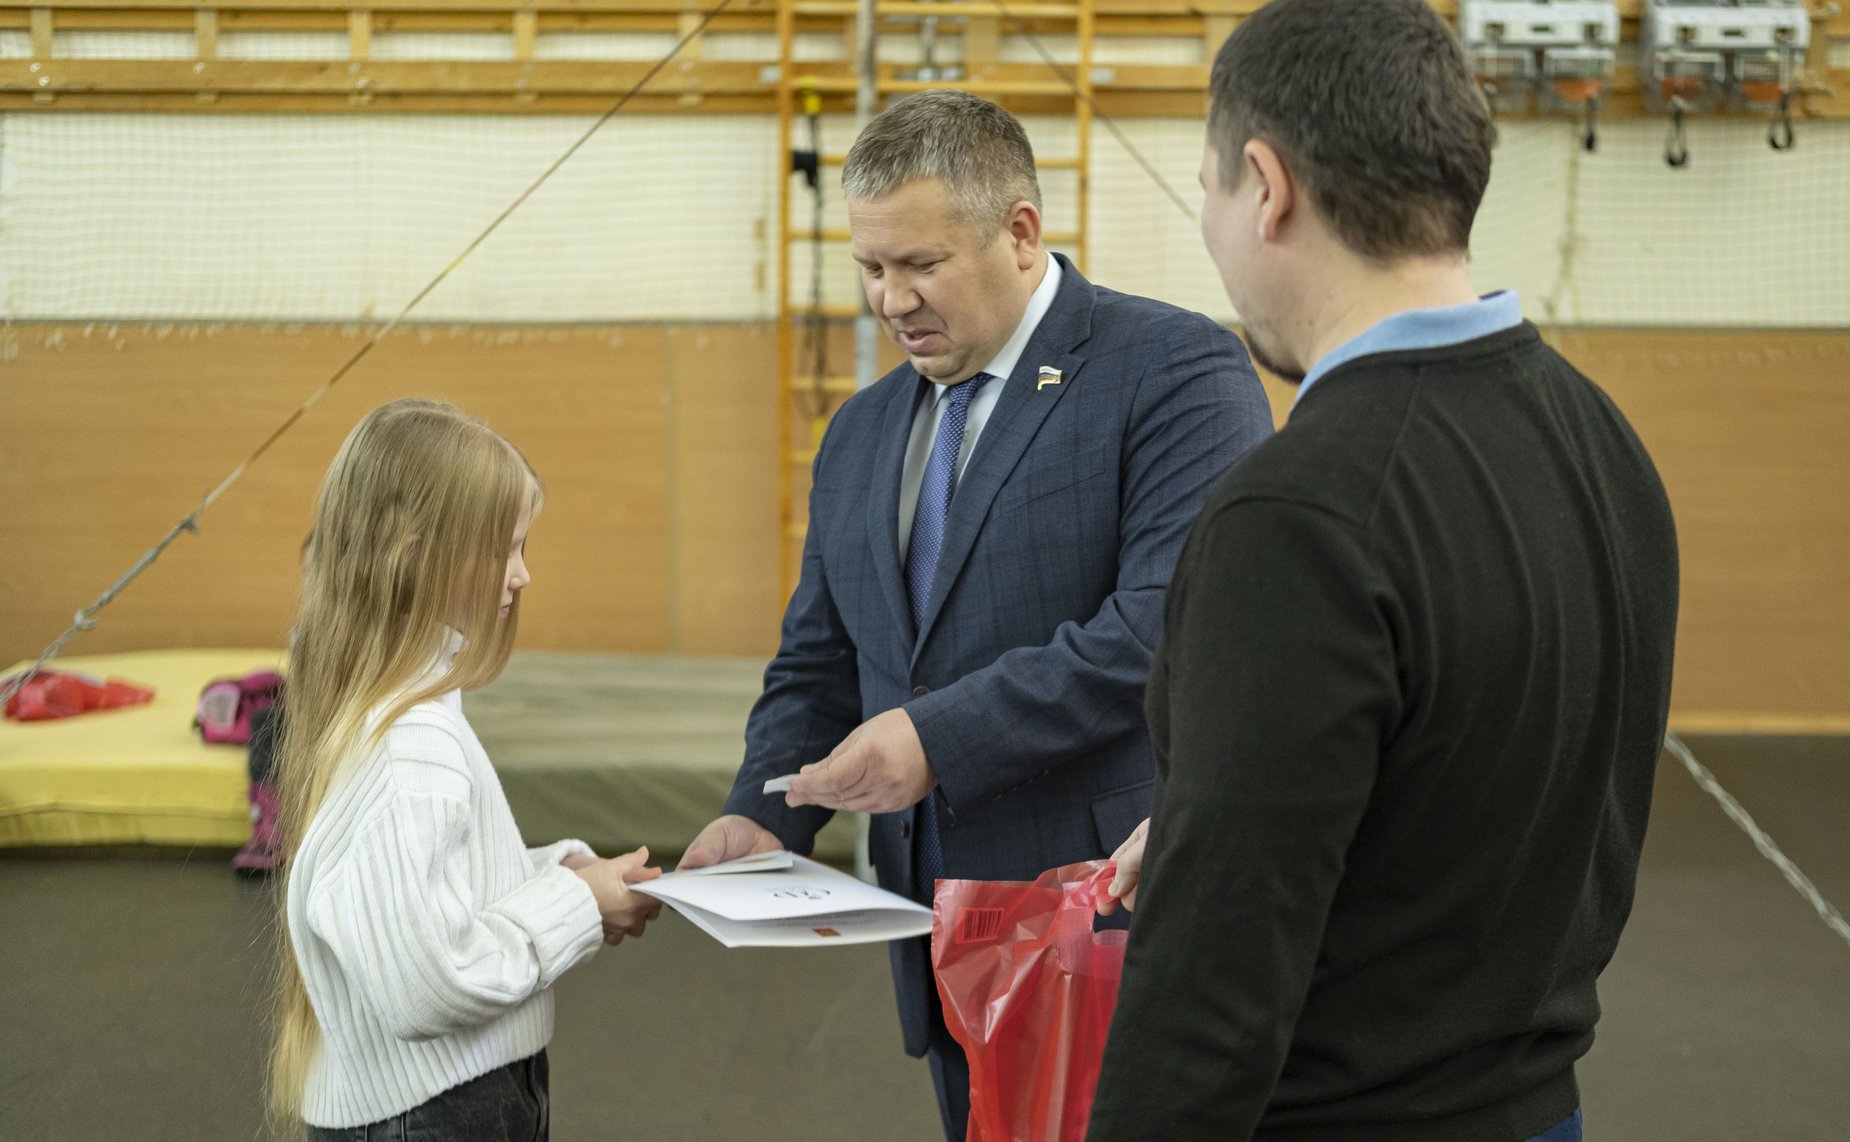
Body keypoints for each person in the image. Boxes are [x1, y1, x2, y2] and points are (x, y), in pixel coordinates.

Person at [1087, 2, 1681, 1139]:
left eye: (1206, 188)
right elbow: (1484, 770)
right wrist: (1244, 793)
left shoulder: (1297, 510)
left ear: (1263, 186)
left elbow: (1205, 1002)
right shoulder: (1597, 434)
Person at [679, 90, 1273, 1138]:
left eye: (919, 265)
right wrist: (761, 814)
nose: (888, 299)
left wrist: (934, 737)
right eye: (868, 267)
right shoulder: (860, 429)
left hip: (1108, 928)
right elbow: (819, 660)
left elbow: (1161, 627)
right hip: (935, 937)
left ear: (1020, 232)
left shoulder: (1172, 370)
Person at [269, 399, 663, 1141]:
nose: (523, 574)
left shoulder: (399, 701)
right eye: (508, 548)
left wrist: (568, 877)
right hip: (439, 1113)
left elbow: (427, 893)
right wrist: (576, 908)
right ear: (421, 556)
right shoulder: (412, 743)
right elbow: (426, 984)